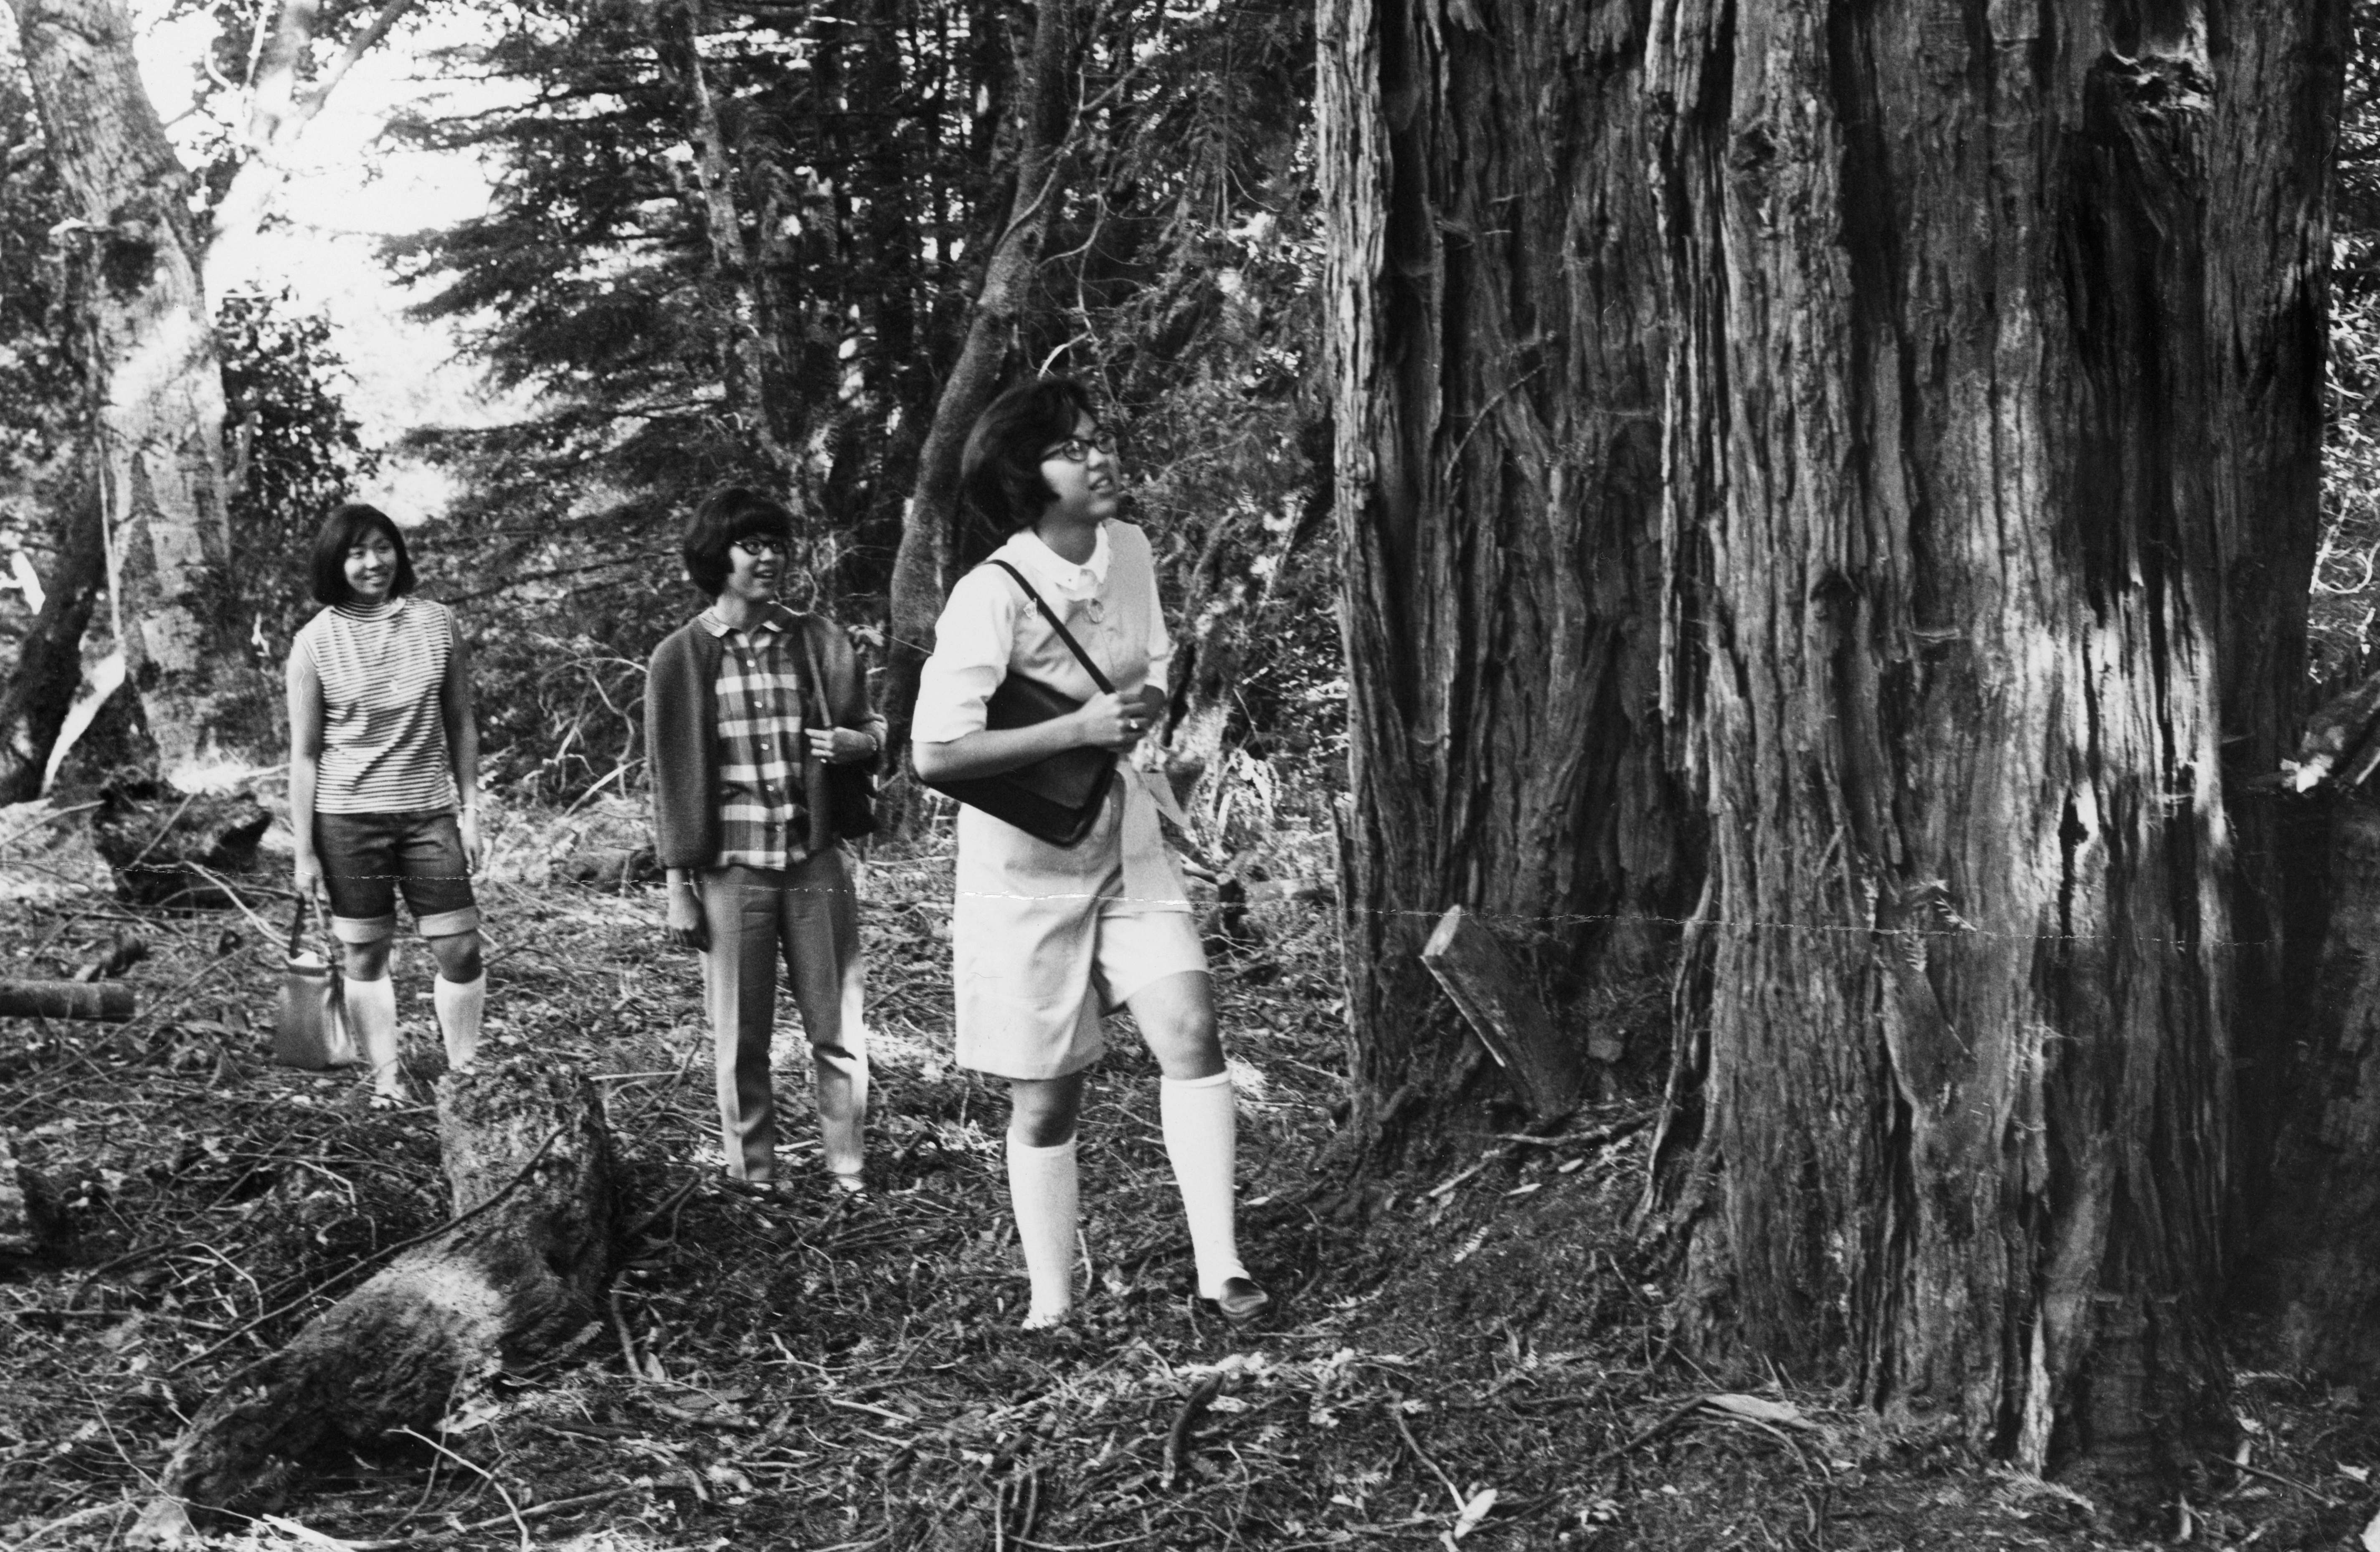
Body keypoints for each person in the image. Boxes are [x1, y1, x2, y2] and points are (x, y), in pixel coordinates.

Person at [912, 376, 1269, 1328]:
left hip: (1124, 837)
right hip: (1022, 866)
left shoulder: (1133, 550)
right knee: (1048, 1099)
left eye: (1095, 436)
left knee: (1191, 1032)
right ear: (1027, 477)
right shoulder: (991, 591)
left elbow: (1145, 665)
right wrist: (1075, 728)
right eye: (1071, 448)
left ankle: (1221, 1267)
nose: (1097, 455)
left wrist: (1138, 710)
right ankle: (1050, 1300)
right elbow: (935, 750)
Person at [646, 487, 883, 1194]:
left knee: (837, 1027)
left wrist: (854, 743)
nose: (770, 558)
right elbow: (668, 781)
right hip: (731, 871)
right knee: (741, 1037)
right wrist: (678, 891)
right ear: (717, 556)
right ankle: (754, 1175)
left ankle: (848, 1167)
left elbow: (875, 731)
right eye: (753, 545)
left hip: (814, 859)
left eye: (778, 544)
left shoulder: (819, 640)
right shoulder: (679, 658)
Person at [288, 502, 485, 1102]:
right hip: (348, 820)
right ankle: (387, 1084)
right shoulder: (313, 644)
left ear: (398, 552)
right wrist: (303, 852)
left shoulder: (436, 623)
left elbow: (461, 721)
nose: (373, 562)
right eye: (355, 552)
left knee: (460, 947)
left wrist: (472, 811)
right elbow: (304, 755)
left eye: (382, 547)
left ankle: (466, 1078)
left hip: (429, 811)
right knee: (366, 951)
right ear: (334, 563)